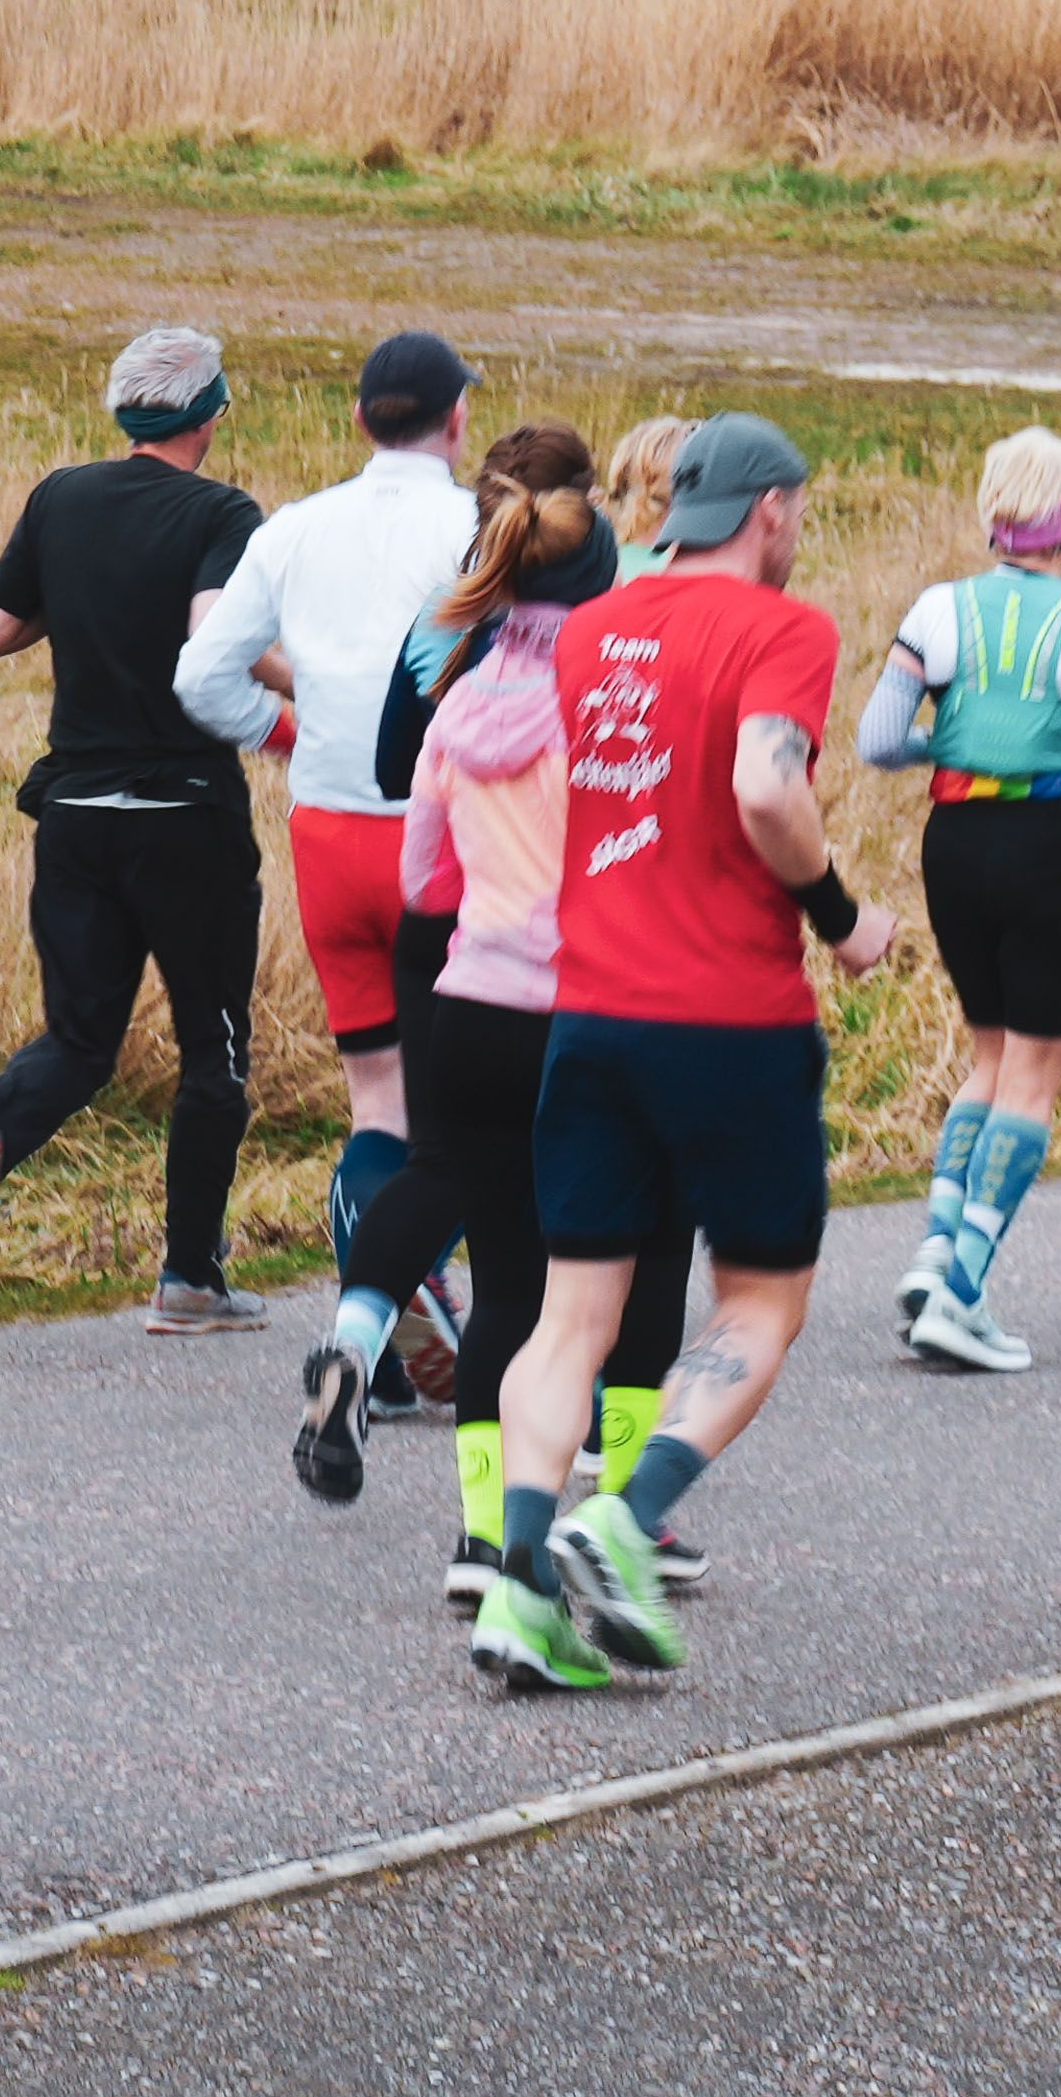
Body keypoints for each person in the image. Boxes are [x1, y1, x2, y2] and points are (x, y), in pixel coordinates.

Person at [467, 417, 895, 1695]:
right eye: (798, 512)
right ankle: (624, 1514)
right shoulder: (786, 628)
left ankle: (520, 1585)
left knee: (570, 1315)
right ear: (768, 510)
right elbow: (769, 788)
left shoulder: (599, 621)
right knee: (762, 1300)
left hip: (588, 1010)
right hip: (729, 1015)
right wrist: (843, 916)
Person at [357, 432, 672, 1581]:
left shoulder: (460, 695)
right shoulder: (610, 704)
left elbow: (418, 884)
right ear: (599, 583)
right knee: (608, 1281)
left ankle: (478, 1532)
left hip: (472, 1010)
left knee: (500, 1282)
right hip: (584, 1013)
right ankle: (621, 1507)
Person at [0, 330, 271, 1321]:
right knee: (214, 1049)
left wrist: (73, 604)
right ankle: (190, 1276)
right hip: (185, 817)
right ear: (208, 415)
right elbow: (212, 641)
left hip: (74, 815)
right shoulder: (222, 512)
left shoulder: (59, 496)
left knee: (78, 1038)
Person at [168, 329, 490, 1395]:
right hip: (440, 837)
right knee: (467, 1110)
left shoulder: (293, 528)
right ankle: (422, 1311)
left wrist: (284, 734)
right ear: (455, 422)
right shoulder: (473, 524)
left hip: (327, 834)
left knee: (375, 1101)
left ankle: (379, 1337)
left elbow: (201, 677)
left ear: (358, 420)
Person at [858, 427, 1061, 1381]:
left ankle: (936, 1249)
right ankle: (963, 1292)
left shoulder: (938, 610)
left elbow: (876, 737)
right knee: (1034, 1074)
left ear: (992, 512)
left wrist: (954, 746)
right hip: (1052, 850)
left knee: (987, 1055)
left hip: (956, 846)